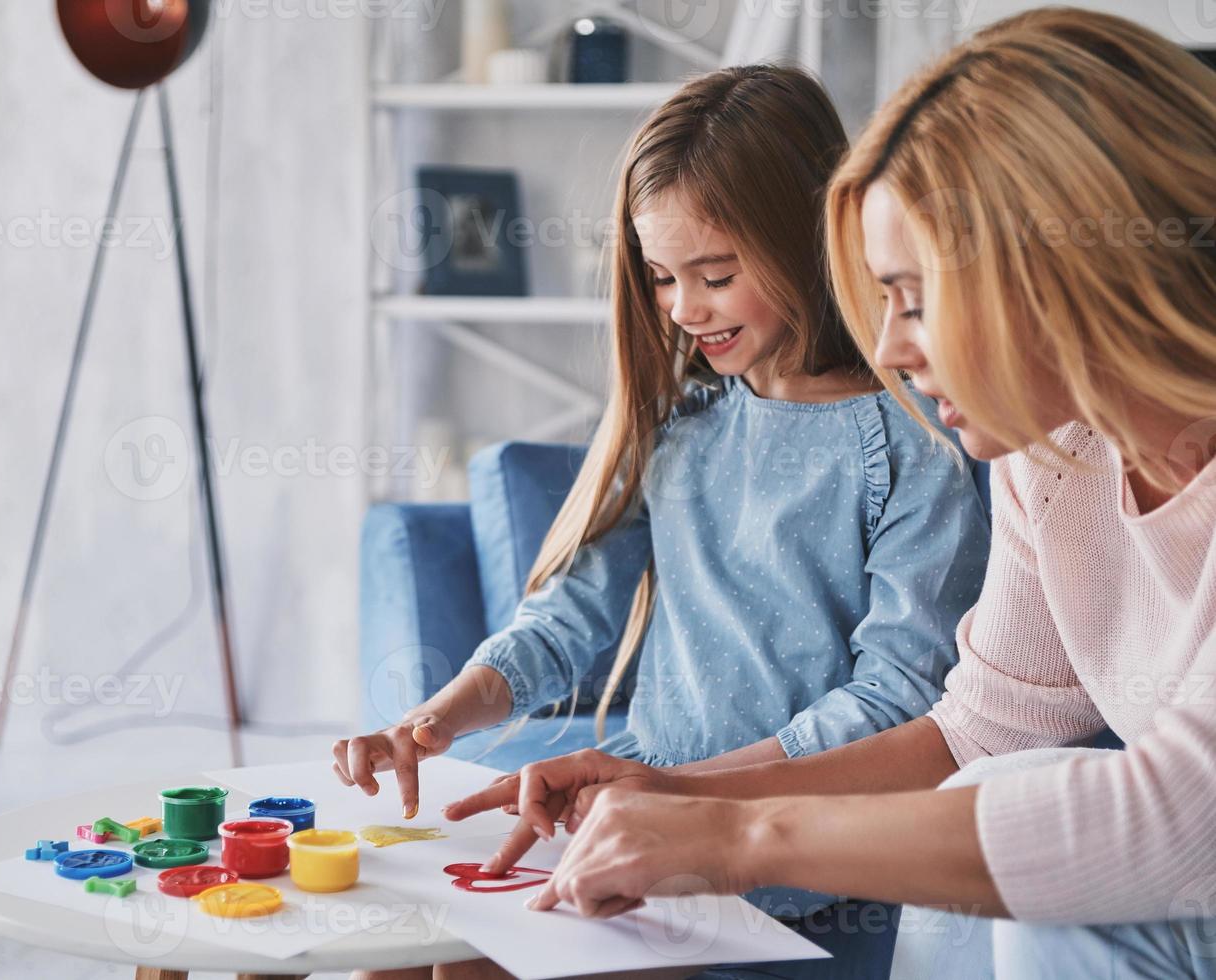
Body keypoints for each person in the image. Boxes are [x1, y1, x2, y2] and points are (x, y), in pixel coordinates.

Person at [451, 10, 1216, 979]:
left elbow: (1183, 822)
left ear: (1063, 270)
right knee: (1005, 767)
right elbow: (972, 726)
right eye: (878, 297)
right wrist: (683, 789)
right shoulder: (1049, 458)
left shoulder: (923, 444)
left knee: (1033, 786)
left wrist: (745, 837)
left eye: (917, 295)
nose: (891, 346)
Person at [342, 64, 989, 980]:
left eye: (716, 276)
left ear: (807, 241)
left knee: (474, 968)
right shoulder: (684, 422)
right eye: (659, 277)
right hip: (640, 796)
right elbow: (569, 621)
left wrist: (695, 800)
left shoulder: (912, 444)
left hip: (796, 836)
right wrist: (435, 719)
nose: (684, 310)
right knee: (400, 959)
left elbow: (895, 704)